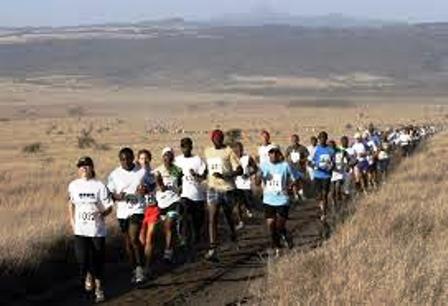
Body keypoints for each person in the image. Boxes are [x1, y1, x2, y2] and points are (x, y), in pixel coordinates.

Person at [68, 156, 113, 303]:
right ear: (78, 169)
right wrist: (72, 221)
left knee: (98, 260)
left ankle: (99, 288)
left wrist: (102, 213)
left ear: (92, 168)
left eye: (87, 166)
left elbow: (109, 207)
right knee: (82, 259)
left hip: (97, 230)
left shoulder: (99, 186)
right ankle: (88, 275)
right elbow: (71, 203)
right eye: (81, 166)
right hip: (80, 230)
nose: (84, 169)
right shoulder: (73, 185)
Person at [108, 148, 147, 284]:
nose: (125, 161)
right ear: (120, 160)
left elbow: (151, 185)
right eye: (123, 159)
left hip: (137, 209)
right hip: (122, 211)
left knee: (134, 237)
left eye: (128, 158)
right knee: (128, 243)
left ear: (132, 158)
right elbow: (110, 193)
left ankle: (140, 269)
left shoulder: (142, 171)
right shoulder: (114, 174)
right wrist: (118, 196)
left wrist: (145, 190)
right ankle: (134, 268)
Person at [203, 129, 243, 262]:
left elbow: (240, 170)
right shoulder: (207, 151)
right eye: (215, 138)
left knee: (228, 216)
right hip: (212, 188)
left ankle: (233, 234)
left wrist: (225, 175)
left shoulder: (228, 151)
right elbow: (207, 169)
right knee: (212, 217)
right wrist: (200, 176)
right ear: (212, 139)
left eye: (220, 138)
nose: (218, 140)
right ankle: (213, 248)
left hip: (227, 189)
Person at [255, 144, 300, 255]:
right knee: (271, 225)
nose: (273, 155)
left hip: (282, 200)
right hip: (268, 200)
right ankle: (277, 247)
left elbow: (296, 178)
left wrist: (292, 187)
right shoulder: (263, 166)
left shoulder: (285, 166)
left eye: (276, 152)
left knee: (279, 226)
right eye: (271, 152)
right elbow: (256, 183)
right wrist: (259, 176)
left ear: (279, 154)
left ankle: (285, 235)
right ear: (268, 154)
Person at [175, 138, 207, 252]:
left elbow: (203, 177)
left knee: (197, 221)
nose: (185, 149)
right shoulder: (177, 160)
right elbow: (175, 175)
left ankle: (197, 239)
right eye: (183, 146)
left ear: (191, 147)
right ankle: (183, 238)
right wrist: (177, 185)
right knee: (183, 214)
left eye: (187, 146)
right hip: (185, 195)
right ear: (181, 147)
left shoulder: (198, 160)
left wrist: (196, 175)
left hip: (198, 195)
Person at [154, 147, 183, 263]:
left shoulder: (178, 170)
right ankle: (175, 243)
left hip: (174, 201)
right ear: (162, 157)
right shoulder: (157, 171)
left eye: (170, 155)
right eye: (165, 155)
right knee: (166, 228)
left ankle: (168, 251)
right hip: (161, 202)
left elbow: (181, 185)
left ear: (173, 157)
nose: (167, 157)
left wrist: (179, 189)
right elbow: (158, 185)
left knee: (169, 224)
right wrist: (160, 183)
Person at [136, 149, 159, 278]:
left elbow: (158, 188)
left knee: (150, 237)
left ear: (150, 159)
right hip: (140, 210)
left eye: (146, 158)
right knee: (142, 240)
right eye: (141, 158)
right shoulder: (136, 175)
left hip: (153, 208)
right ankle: (142, 262)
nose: (144, 160)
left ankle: (147, 267)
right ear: (138, 160)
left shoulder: (154, 174)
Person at [312, 131, 335, 233]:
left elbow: (334, 162)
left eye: (324, 138)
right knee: (319, 195)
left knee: (325, 193)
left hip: (326, 175)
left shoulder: (330, 150)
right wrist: (314, 166)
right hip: (317, 175)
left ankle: (324, 213)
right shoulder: (315, 150)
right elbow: (310, 161)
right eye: (320, 138)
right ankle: (321, 205)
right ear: (318, 139)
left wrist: (331, 167)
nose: (322, 140)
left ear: (326, 139)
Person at [232, 141, 258, 230]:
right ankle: (241, 222)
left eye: (240, 149)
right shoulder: (232, 159)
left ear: (242, 149)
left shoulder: (247, 158)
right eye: (236, 149)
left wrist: (249, 174)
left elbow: (255, 168)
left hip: (246, 185)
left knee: (247, 202)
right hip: (236, 185)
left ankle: (248, 208)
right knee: (237, 204)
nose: (238, 151)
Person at [285, 134, 308, 201]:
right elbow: (285, 157)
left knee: (300, 181)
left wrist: (301, 160)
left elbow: (307, 157)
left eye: (295, 140)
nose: (294, 141)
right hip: (292, 168)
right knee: (294, 181)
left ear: (298, 140)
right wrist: (289, 160)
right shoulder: (289, 148)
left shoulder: (302, 148)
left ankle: (301, 194)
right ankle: (296, 195)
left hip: (300, 168)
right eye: (293, 140)